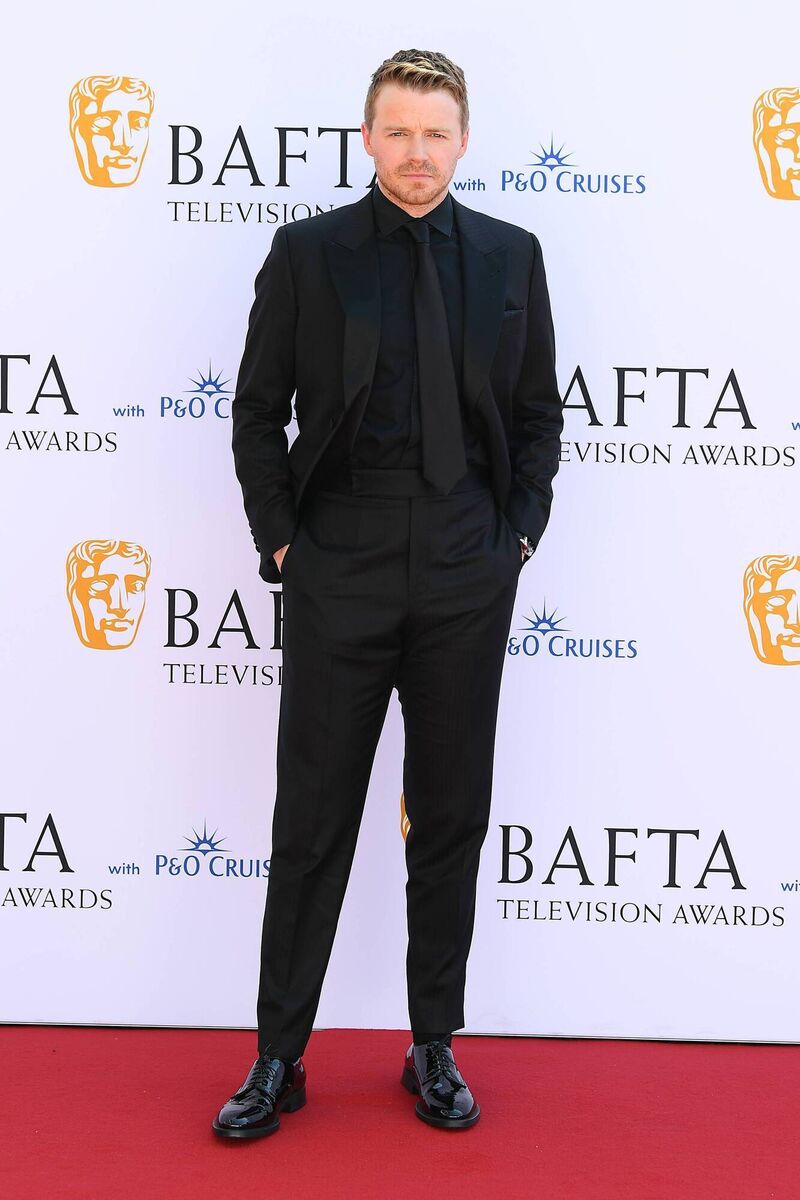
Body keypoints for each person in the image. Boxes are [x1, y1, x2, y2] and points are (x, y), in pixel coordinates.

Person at [212, 48, 563, 1139]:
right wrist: (283, 544)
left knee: (448, 812)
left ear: (462, 141)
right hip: (342, 560)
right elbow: (256, 408)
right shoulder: (307, 254)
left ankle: (432, 1047)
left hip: (466, 560)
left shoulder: (511, 257)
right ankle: (279, 1058)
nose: (416, 154)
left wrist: (517, 533)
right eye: (397, 133)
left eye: (434, 134)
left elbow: (538, 414)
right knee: (310, 817)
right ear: (367, 140)